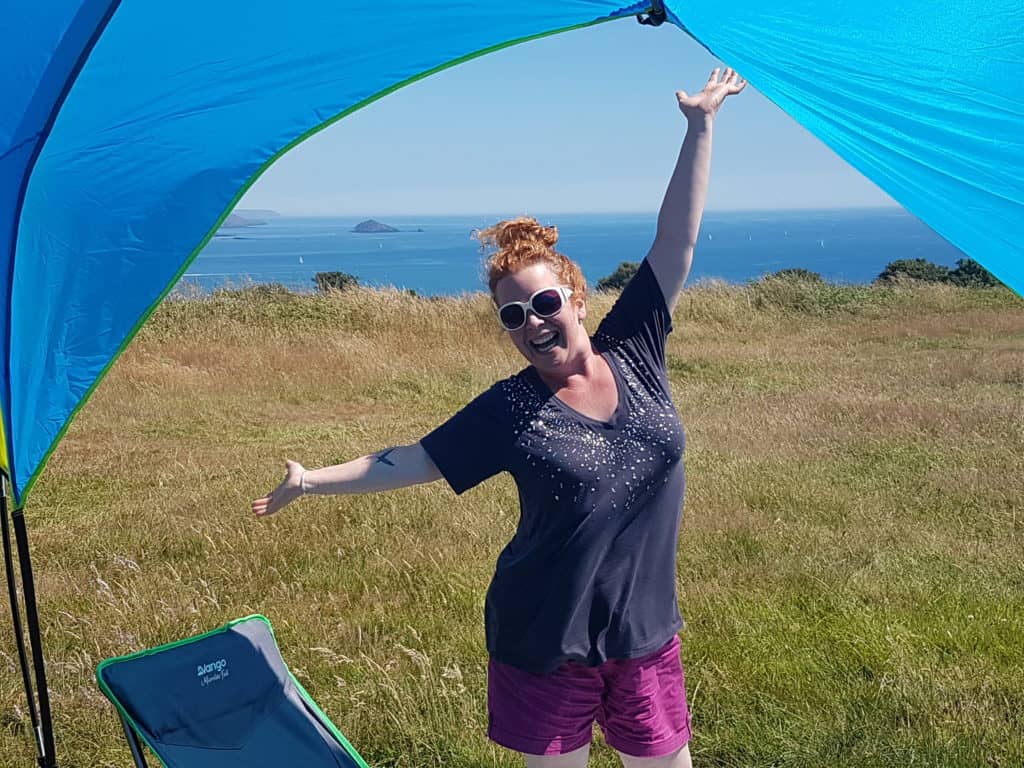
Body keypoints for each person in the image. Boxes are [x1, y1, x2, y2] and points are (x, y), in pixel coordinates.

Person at [253, 68, 746, 768]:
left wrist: (701, 126)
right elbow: (412, 459)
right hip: (542, 640)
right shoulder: (511, 408)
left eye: (544, 305)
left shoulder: (634, 344)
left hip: (644, 637)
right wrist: (311, 481)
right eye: (513, 317)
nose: (532, 324)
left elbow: (675, 242)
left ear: (577, 300)